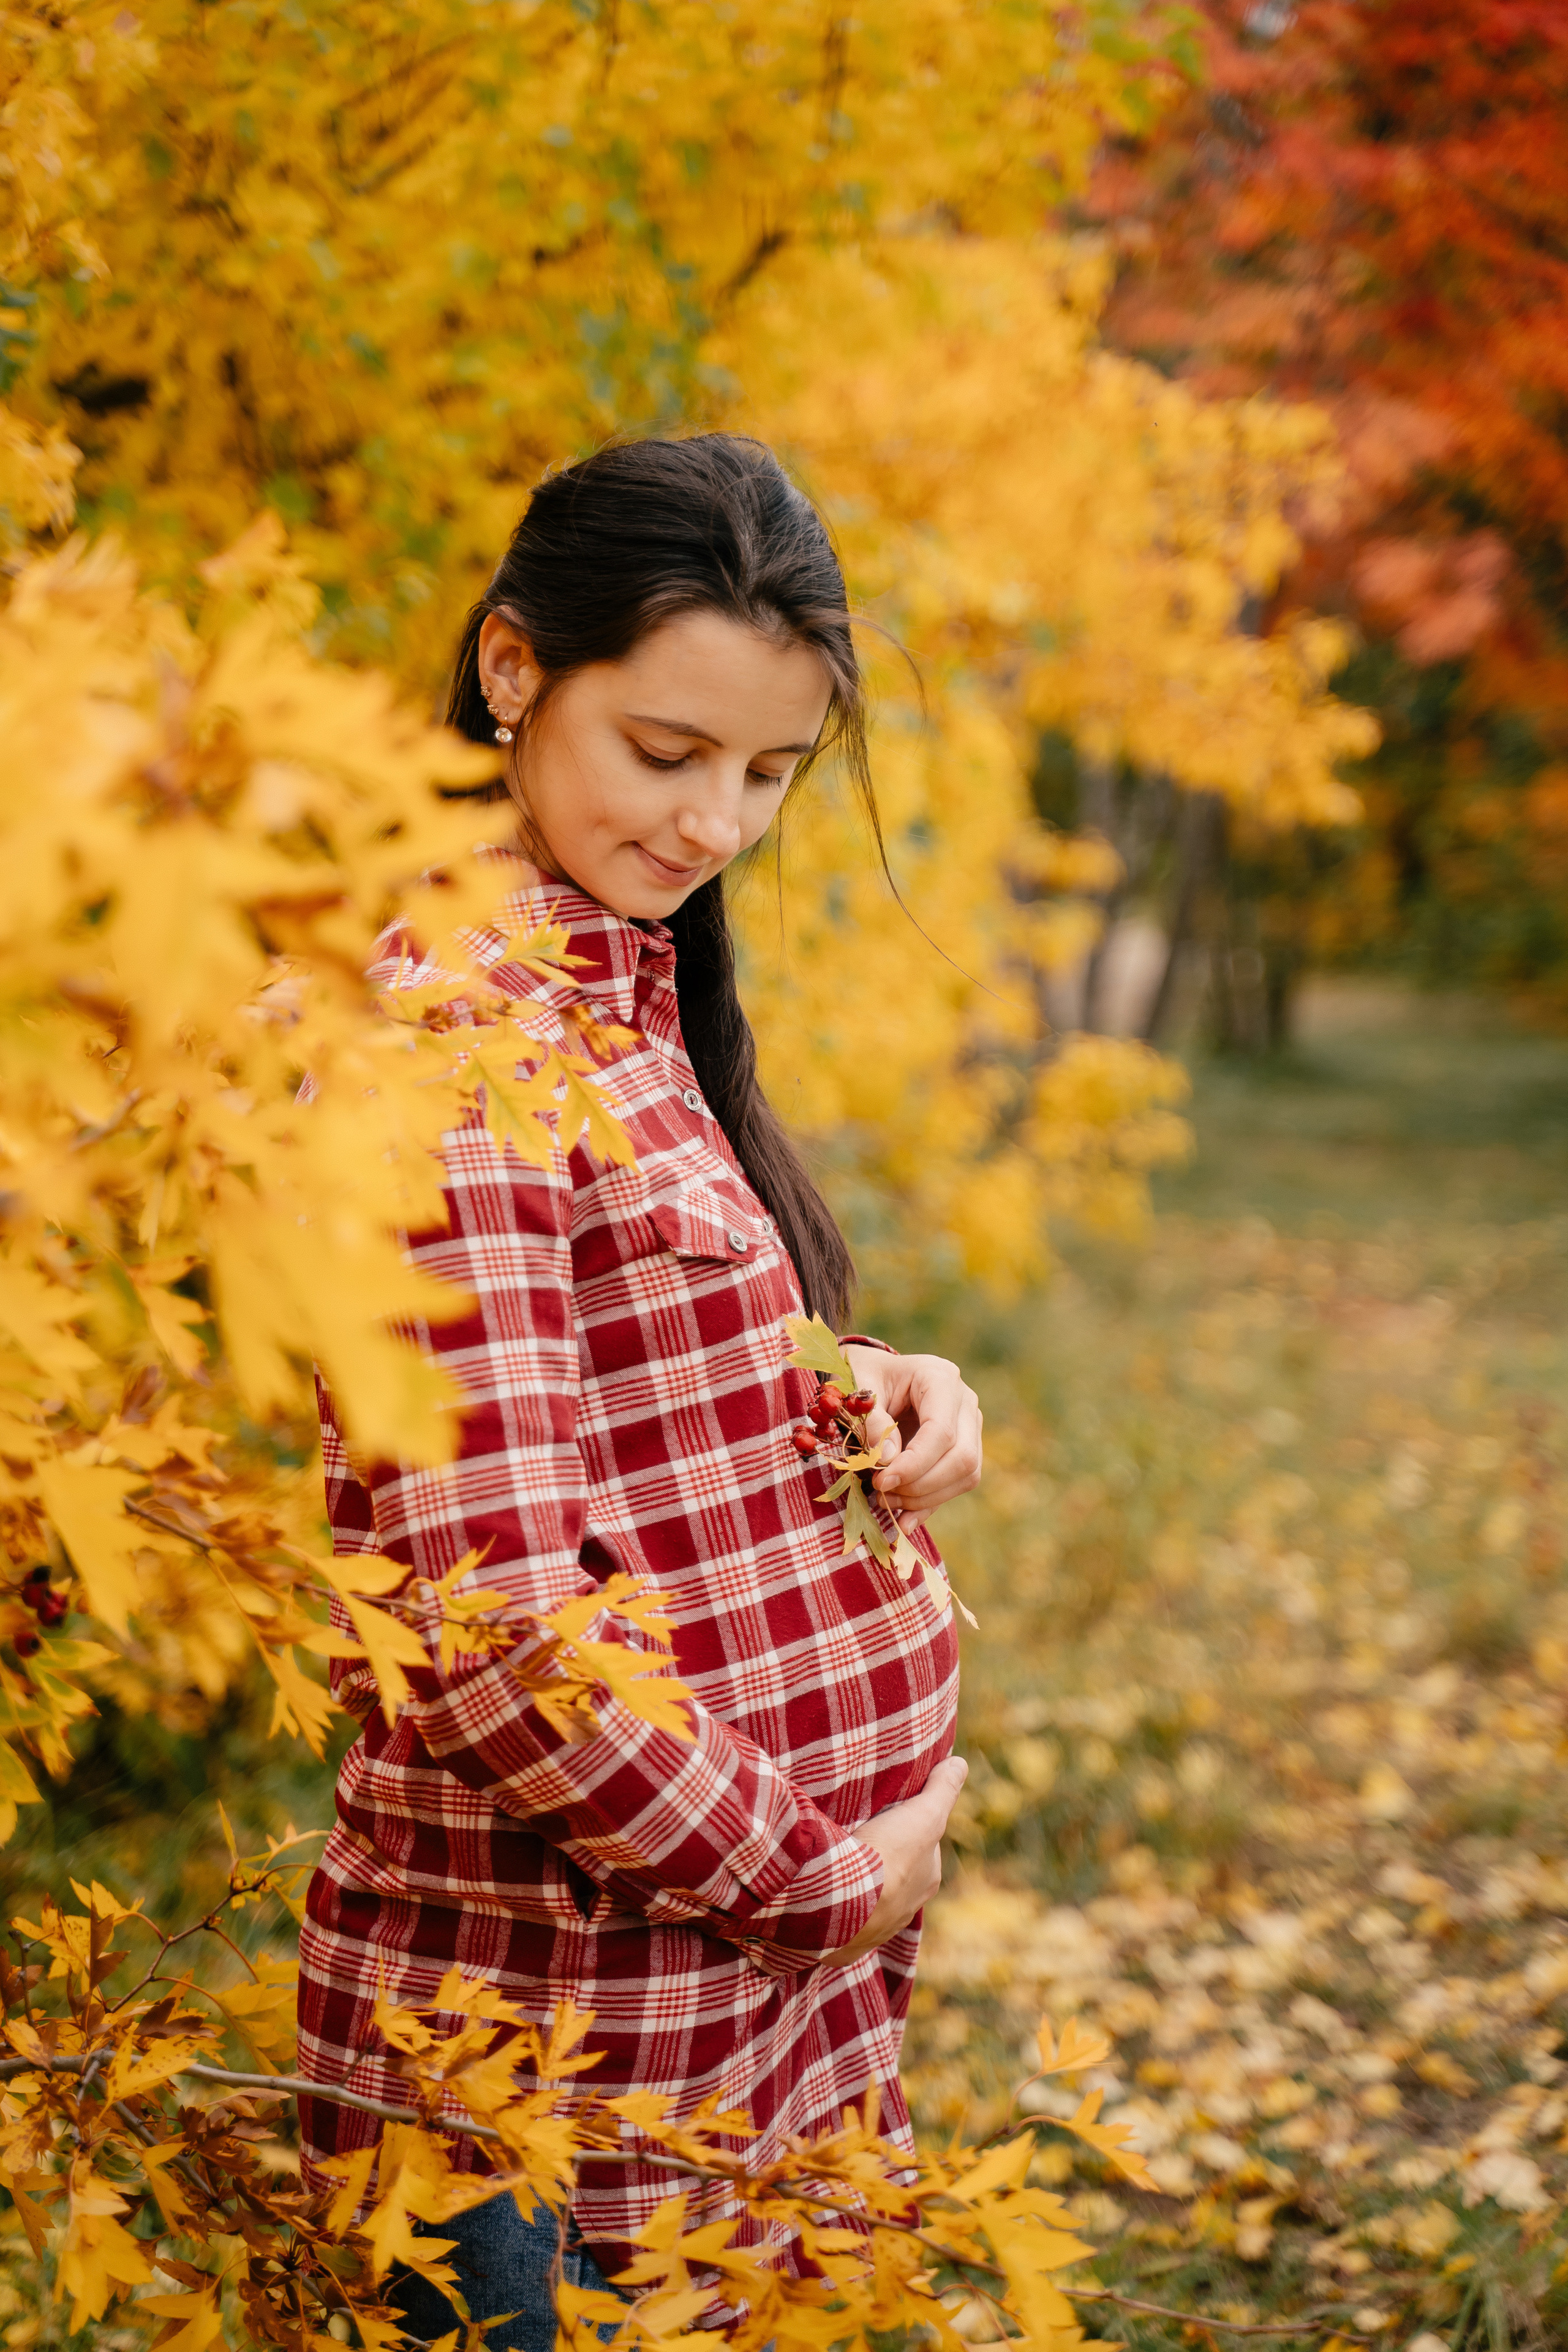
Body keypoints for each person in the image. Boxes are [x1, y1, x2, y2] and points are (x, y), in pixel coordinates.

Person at [295, 435, 980, 2350]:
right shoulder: (444, 1037)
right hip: (552, 2080)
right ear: (514, 670)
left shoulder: (611, 981)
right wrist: (826, 1878)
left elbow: (622, 1366)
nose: (717, 827)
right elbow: (499, 1629)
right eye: (668, 755)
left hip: (717, 2038)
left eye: (769, 774)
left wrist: (879, 1388)